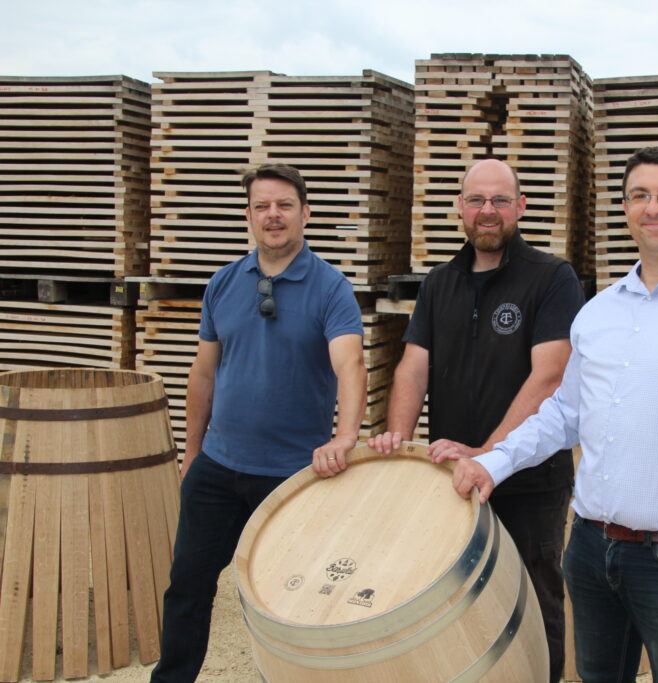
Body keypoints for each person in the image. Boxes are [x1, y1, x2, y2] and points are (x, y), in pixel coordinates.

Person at [447, 146, 658, 682]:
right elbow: (565, 414)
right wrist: (496, 460)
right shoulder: (599, 312)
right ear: (625, 209)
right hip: (591, 547)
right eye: (641, 196)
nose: (655, 207)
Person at [369, 158, 585, 682]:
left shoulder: (552, 278)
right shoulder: (440, 283)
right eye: (477, 201)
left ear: (521, 207)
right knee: (457, 599)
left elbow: (550, 377)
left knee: (534, 599)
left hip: (529, 479)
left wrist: (488, 455)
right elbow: (413, 369)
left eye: (500, 201)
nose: (488, 212)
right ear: (459, 209)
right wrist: (397, 442)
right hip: (455, 479)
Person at [150, 164, 367, 682]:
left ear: (305, 213)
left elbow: (350, 365)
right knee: (187, 587)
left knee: (297, 601)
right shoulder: (224, 283)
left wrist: (344, 437)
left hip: (292, 478)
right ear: (248, 216)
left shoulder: (331, 288)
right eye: (263, 206)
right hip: (218, 469)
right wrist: (192, 452)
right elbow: (203, 374)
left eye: (285, 205)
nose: (274, 216)